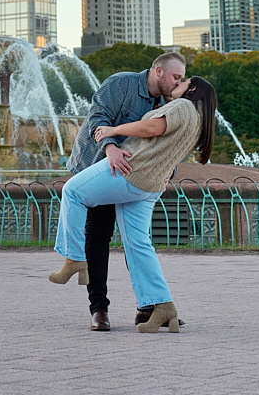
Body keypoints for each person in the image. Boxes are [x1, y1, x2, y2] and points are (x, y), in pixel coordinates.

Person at [49, 75, 218, 333]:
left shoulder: (183, 106)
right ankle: (161, 306)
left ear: (192, 89)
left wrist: (113, 132)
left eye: (183, 80)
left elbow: (152, 129)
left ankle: (74, 258)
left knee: (72, 192)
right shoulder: (199, 120)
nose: (178, 83)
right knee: (138, 243)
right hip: (150, 186)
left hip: (130, 171)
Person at [64, 51, 187, 331]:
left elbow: (171, 142)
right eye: (175, 77)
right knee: (99, 235)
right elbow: (98, 118)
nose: (177, 83)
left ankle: (148, 308)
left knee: (137, 239)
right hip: (98, 166)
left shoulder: (168, 104)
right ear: (158, 71)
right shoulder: (121, 84)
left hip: (134, 175)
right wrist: (110, 150)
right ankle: (99, 310)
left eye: (181, 79)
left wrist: (170, 169)